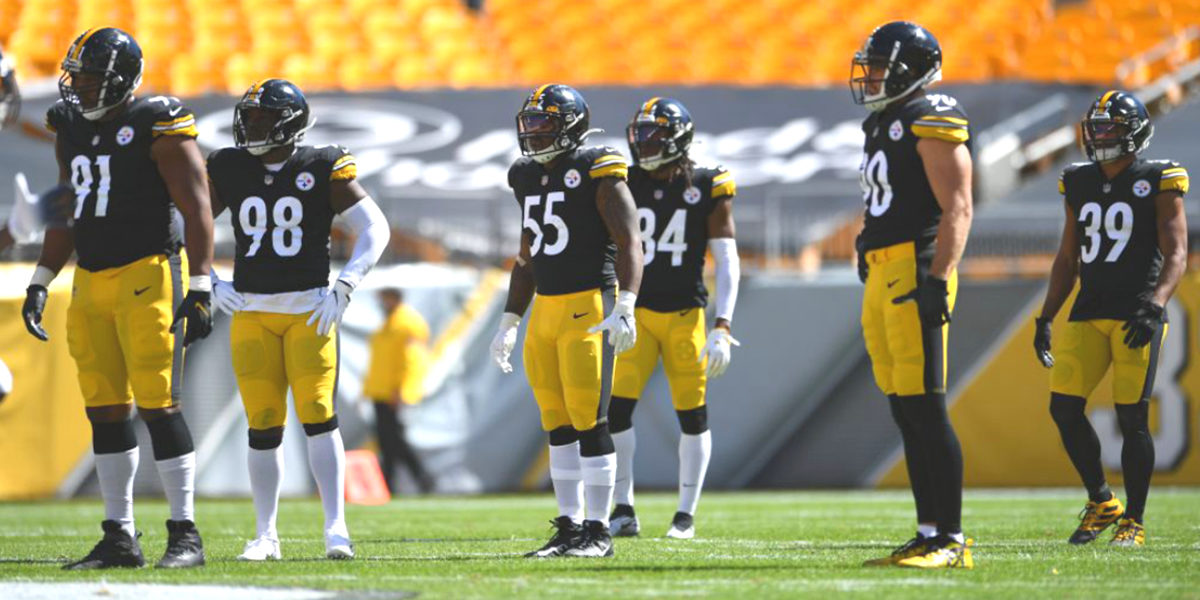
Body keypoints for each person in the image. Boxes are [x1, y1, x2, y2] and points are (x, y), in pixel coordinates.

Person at [22, 28, 214, 570]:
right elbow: (67, 208)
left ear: (121, 79)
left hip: (150, 274)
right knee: (105, 411)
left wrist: (199, 284)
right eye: (75, 77)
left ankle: (185, 534)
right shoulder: (69, 127)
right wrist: (41, 277)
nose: (78, 87)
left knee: (160, 406)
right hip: (90, 280)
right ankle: (120, 537)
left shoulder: (158, 122)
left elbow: (197, 206)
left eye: (89, 78)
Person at [206, 78, 390, 561]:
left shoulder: (321, 164)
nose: (250, 125)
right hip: (251, 310)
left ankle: (336, 528)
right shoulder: (229, 166)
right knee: (262, 424)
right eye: (248, 116)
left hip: (309, 310)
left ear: (289, 122)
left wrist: (347, 285)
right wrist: (206, 278)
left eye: (262, 117)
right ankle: (265, 534)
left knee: (318, 418)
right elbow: (187, 222)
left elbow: (376, 227)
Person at [490, 83, 643, 558]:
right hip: (548, 310)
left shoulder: (597, 168)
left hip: (589, 306)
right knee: (556, 422)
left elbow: (631, 241)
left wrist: (627, 305)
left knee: (590, 420)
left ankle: (598, 532)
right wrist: (510, 319)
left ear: (570, 125)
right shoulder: (525, 176)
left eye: (543, 123)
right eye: (529, 124)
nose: (533, 134)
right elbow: (526, 256)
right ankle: (570, 528)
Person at [1034, 90, 1187, 547]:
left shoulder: (1158, 177)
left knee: (1131, 418)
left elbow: (1177, 252)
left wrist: (1156, 303)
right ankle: (1102, 501)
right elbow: (1067, 256)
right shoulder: (1077, 180)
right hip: (1089, 309)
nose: (1099, 137)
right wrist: (1046, 315)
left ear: (1134, 133)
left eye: (1109, 129)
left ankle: (1134, 521)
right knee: (1063, 407)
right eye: (1095, 128)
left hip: (1135, 310)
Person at [850, 21, 974, 568]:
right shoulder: (883, 124)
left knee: (927, 407)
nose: (872, 77)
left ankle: (950, 539)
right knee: (904, 408)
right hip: (883, 272)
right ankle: (927, 532)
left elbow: (959, 207)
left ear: (914, 72)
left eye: (882, 68)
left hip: (914, 269)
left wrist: (937, 278)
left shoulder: (931, 116)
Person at [607, 97, 740, 540]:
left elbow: (726, 257)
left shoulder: (707, 184)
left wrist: (723, 324)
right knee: (618, 412)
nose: (643, 144)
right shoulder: (625, 181)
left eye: (653, 136)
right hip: (637, 314)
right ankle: (622, 508)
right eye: (639, 135)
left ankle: (685, 514)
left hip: (686, 315)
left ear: (678, 139)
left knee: (692, 415)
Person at [363, 288, 435, 494]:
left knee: (392, 439)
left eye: (384, 299)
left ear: (394, 299)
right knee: (388, 440)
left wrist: (402, 390)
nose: (382, 304)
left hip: (392, 392)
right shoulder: (389, 323)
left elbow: (411, 360)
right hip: (380, 391)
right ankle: (400, 481)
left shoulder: (406, 324)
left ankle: (414, 478)